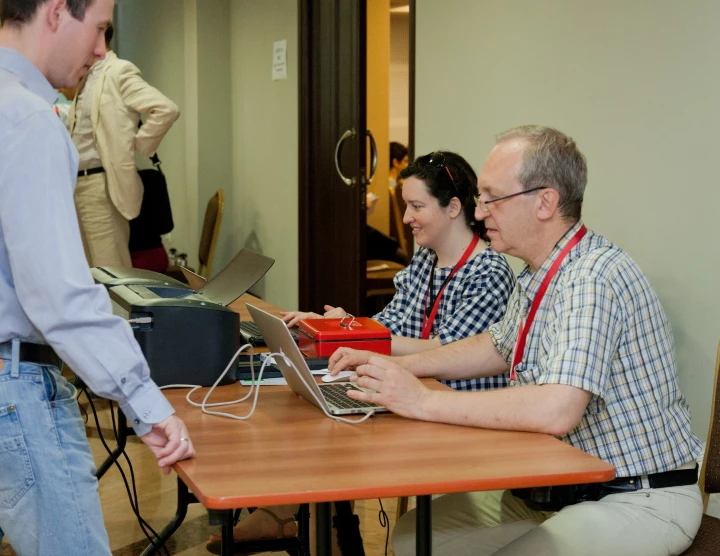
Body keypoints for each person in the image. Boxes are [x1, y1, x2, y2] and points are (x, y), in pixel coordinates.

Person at [328, 125, 704, 556]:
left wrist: (421, 401)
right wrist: (396, 368)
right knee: (416, 538)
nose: (481, 211)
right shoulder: (538, 273)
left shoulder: (591, 278)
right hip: (557, 487)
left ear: (545, 202)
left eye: (492, 198)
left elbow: (557, 408)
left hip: (637, 496)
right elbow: (495, 348)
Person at [210, 151, 515, 550]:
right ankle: (312, 525)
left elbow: (450, 351)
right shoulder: (426, 258)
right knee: (320, 415)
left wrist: (356, 336)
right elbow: (389, 325)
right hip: (408, 390)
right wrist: (344, 323)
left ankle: (300, 522)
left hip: (451, 409)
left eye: (416, 206)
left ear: (453, 207)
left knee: (331, 434)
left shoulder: (489, 272)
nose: (406, 217)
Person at [0, 1, 195, 554]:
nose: (102, 49)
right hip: (17, 388)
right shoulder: (27, 118)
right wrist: (144, 401)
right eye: (101, 28)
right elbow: (59, 296)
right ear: (58, 11)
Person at [68, 22, 179, 268]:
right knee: (88, 274)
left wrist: (137, 144)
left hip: (102, 186)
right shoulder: (86, 77)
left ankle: (115, 310)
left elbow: (166, 109)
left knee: (110, 272)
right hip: (78, 185)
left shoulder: (118, 71)